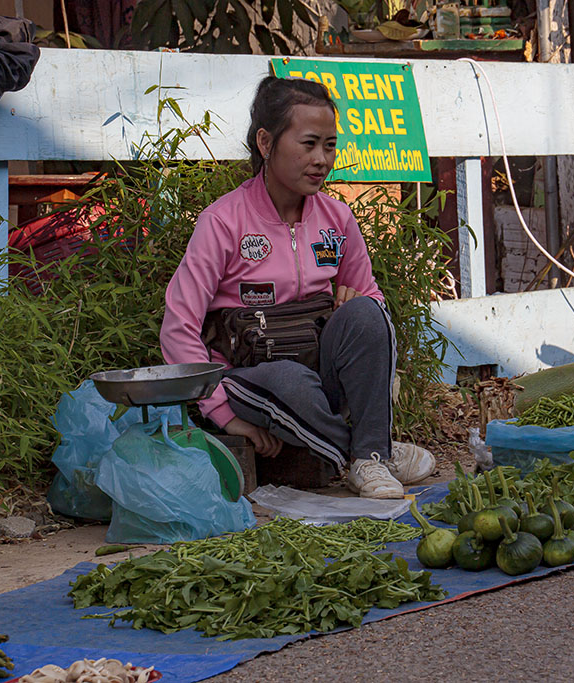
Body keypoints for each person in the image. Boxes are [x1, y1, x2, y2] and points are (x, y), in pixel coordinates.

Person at [160, 76, 434, 499]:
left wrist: (356, 299)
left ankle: (367, 454)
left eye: (329, 145)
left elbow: (372, 301)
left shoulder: (337, 219)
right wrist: (223, 415)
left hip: (321, 378)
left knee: (366, 314)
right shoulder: (222, 222)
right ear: (266, 143)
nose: (321, 159)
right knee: (290, 380)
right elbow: (179, 324)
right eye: (308, 144)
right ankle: (371, 455)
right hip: (251, 379)